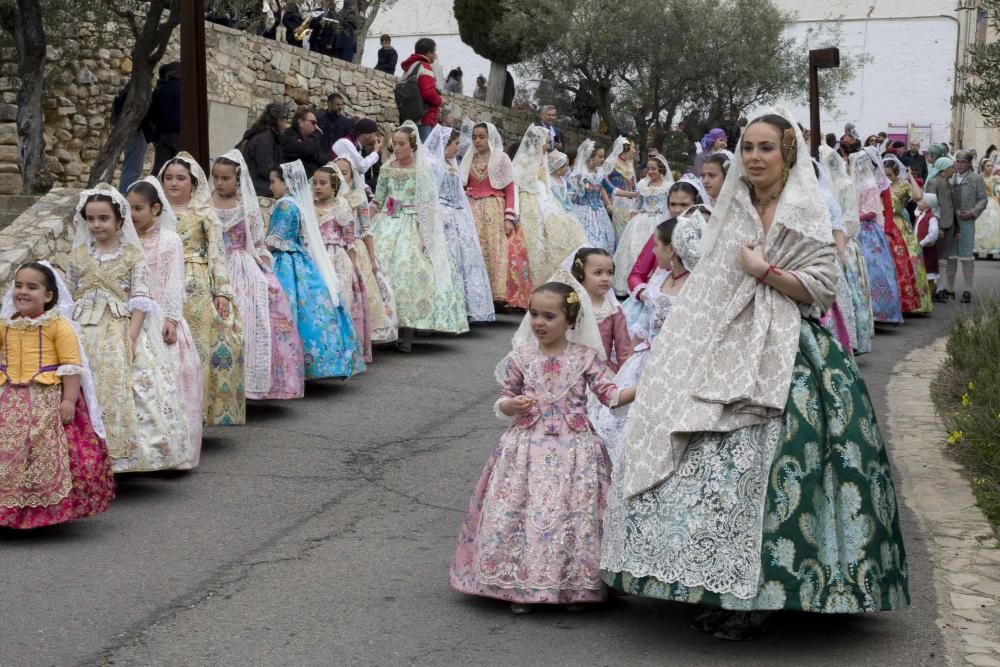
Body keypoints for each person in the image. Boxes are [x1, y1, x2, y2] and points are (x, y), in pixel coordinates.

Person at [602, 110, 910, 640]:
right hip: (724, 344)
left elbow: (821, 288)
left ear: (787, 153)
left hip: (789, 346)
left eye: (766, 148)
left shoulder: (805, 211)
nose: (755, 158)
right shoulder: (732, 210)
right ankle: (714, 586)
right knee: (706, 461)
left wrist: (764, 272)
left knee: (779, 471)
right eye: (748, 147)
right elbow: (706, 288)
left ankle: (768, 594)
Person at [449, 278, 636, 613]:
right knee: (523, 510)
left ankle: (574, 586)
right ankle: (519, 586)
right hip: (525, 448)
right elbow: (504, 398)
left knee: (573, 513)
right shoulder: (521, 357)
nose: (539, 322)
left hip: (576, 449)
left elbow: (610, 395)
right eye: (534, 314)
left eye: (549, 317)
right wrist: (511, 406)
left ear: (571, 322)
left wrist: (646, 385)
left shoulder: (586, 358)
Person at [67, 185, 193, 472]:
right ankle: (84, 454)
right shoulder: (77, 257)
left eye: (103, 218)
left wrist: (131, 336)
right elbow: (69, 294)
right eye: (91, 219)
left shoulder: (131, 256)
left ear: (119, 221)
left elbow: (140, 299)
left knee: (126, 385)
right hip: (82, 328)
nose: (96, 225)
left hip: (119, 327)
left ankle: (123, 456)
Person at [0, 262, 115, 529]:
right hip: (8, 396)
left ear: (49, 296)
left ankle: (36, 510)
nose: (23, 292)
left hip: (45, 395)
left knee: (37, 446)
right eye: (18, 285)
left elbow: (71, 366)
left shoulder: (58, 326)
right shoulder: (5, 325)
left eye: (32, 287)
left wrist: (68, 401)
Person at [595, 215, 701, 466]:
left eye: (656, 245)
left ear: (671, 249)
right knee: (616, 420)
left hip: (676, 362)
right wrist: (629, 361)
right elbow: (645, 325)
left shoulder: (696, 282)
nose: (653, 250)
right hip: (645, 358)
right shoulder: (660, 277)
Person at [159, 154, 247, 426]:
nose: (174, 183)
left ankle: (195, 413)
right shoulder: (154, 212)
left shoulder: (204, 215)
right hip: (160, 282)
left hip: (195, 285)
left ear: (193, 182)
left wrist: (222, 291)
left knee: (196, 348)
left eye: (180, 178)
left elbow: (217, 255)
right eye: (169, 178)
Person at [212, 151, 305, 400]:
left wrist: (264, 265)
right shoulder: (205, 204)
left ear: (238, 179)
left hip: (243, 266)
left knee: (254, 319)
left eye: (225, 178)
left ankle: (252, 384)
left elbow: (257, 241)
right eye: (216, 177)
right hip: (214, 265)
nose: (220, 183)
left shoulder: (246, 208)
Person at [369, 122, 470, 351]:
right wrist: (366, 218)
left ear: (412, 145)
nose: (396, 148)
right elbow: (379, 198)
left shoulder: (422, 171)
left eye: (401, 144)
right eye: (394, 144)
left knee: (411, 273)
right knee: (381, 271)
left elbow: (427, 205)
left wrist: (427, 236)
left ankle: (407, 333)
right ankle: (384, 325)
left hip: (412, 223)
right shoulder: (387, 168)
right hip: (387, 221)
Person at [127, 178, 204, 462]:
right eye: (128, 209)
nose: (132, 215)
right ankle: (141, 452)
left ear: (156, 209)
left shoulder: (169, 240)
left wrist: (171, 318)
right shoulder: (125, 240)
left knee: (170, 381)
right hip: (131, 316)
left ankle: (173, 450)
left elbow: (174, 280)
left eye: (138, 208)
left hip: (159, 316)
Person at [268, 160, 366, 378]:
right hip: (308, 257)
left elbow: (276, 238)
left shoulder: (287, 205)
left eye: (273, 182)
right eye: (315, 183)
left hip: (309, 257)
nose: (269, 187)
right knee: (317, 308)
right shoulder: (303, 204)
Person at [425, 125, 496, 323]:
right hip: (441, 215)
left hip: (457, 216)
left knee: (464, 261)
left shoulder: (451, 163)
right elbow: (429, 192)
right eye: (456, 144)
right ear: (445, 144)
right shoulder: (431, 163)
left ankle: (462, 310)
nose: (458, 148)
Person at [460, 122, 531, 310]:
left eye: (481, 137)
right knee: (474, 249)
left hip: (494, 209)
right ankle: (476, 294)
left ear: (490, 137)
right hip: (471, 208)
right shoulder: (469, 159)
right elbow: (462, 184)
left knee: (495, 250)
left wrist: (510, 217)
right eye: (474, 137)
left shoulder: (501, 159)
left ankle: (495, 295)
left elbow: (510, 188)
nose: (477, 140)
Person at [334, 157, 398, 344]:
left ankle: (359, 337)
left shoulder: (357, 197)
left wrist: (371, 259)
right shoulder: (326, 198)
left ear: (352, 176)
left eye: (344, 172)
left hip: (355, 249)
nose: (340, 175)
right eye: (336, 171)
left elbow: (365, 230)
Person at [313, 164, 372, 362]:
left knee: (339, 301)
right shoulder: (309, 207)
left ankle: (344, 350)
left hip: (336, 258)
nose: (318, 187)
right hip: (314, 257)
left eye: (323, 183)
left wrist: (352, 266)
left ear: (334, 185)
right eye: (315, 183)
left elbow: (349, 239)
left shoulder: (341, 206)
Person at [818, 145, 873, 355]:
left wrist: (842, 247)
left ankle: (847, 341)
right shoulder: (824, 187)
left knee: (843, 296)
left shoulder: (844, 184)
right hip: (830, 245)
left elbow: (849, 216)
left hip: (841, 242)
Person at [513, 125, 582, 285]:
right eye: (546, 142)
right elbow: (518, 182)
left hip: (545, 198)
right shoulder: (524, 160)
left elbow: (547, 182)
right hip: (529, 197)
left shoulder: (543, 160)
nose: (548, 146)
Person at [623, 180, 701, 302]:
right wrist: (645, 295)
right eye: (673, 204)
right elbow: (636, 274)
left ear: (696, 204)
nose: (677, 210)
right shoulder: (660, 235)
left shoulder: (705, 240)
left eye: (684, 205)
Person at [851, 150, 903, 323]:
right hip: (859, 227)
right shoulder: (858, 182)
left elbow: (878, 210)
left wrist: (852, 218)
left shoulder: (874, 184)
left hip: (868, 230)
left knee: (874, 268)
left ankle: (880, 310)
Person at [612, 155, 672, 295]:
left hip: (658, 221)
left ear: (661, 169)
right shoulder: (642, 184)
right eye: (648, 169)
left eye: (654, 169)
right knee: (632, 250)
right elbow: (637, 204)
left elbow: (668, 207)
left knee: (652, 253)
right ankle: (628, 285)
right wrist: (632, 219)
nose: (650, 172)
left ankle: (650, 284)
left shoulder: (668, 187)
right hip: (641, 220)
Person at [884, 155, 932, 313]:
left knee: (910, 261)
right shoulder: (881, 185)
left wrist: (910, 176)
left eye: (890, 175)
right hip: (883, 223)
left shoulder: (903, 185)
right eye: (885, 175)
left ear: (897, 173)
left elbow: (918, 196)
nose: (887, 178)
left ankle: (913, 301)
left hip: (900, 226)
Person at [571, 247, 631, 372]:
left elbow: (623, 349)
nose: (605, 278)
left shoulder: (613, 311)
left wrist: (625, 377)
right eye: (598, 272)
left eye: (609, 272)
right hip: (570, 370)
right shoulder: (570, 305)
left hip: (599, 373)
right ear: (580, 273)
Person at [948, 150, 988, 302]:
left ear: (970, 163)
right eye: (957, 161)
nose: (959, 164)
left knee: (966, 256)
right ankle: (950, 289)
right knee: (950, 256)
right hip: (950, 221)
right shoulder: (949, 176)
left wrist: (972, 213)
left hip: (966, 220)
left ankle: (968, 290)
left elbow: (983, 199)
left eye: (963, 161)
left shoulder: (976, 179)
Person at [570, 140, 615, 253]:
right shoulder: (579, 173)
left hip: (599, 210)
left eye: (603, 156)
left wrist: (608, 203)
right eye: (600, 156)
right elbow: (572, 193)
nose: (602, 159)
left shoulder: (601, 172)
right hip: (582, 209)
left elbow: (608, 188)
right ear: (591, 157)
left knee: (603, 239)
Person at [239, 102, 289, 197]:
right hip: (257, 187)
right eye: (285, 120)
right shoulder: (264, 139)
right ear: (279, 120)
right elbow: (267, 170)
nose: (286, 126)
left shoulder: (268, 136)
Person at [112, 80, 154, 190]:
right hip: (136, 132)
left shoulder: (127, 93)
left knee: (132, 167)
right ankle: (126, 193)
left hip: (133, 132)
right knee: (133, 168)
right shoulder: (137, 94)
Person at [400, 38, 443, 141]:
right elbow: (428, 93)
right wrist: (440, 100)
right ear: (429, 53)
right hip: (424, 118)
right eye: (434, 52)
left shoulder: (411, 67)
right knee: (423, 152)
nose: (435, 55)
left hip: (409, 116)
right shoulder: (425, 66)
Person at [333, 117, 384, 194]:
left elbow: (356, 171)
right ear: (367, 135)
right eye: (375, 135)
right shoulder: (345, 143)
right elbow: (361, 167)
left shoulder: (356, 145)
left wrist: (365, 186)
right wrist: (376, 151)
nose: (376, 138)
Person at [602, 136, 638, 242]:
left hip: (629, 204)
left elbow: (634, 186)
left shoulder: (630, 165)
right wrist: (608, 202)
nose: (635, 151)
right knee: (618, 235)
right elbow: (602, 183)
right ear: (626, 148)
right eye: (633, 147)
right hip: (615, 203)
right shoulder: (610, 163)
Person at [149, 62, 181, 177]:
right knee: (181, 167)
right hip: (178, 135)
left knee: (161, 168)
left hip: (161, 135)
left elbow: (152, 114)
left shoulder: (159, 90)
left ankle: (156, 192)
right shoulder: (184, 90)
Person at [280, 107, 328, 177]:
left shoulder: (310, 139)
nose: (316, 127)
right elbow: (306, 149)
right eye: (313, 123)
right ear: (301, 122)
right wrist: (317, 134)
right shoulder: (288, 136)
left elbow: (324, 159)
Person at [915, 192, 941, 295]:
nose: (918, 202)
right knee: (922, 272)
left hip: (927, 249)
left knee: (929, 273)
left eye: (921, 201)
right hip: (920, 249)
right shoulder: (921, 215)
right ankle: (923, 295)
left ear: (927, 204)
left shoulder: (931, 217)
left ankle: (930, 294)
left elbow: (933, 234)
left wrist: (922, 243)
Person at [974, 157, 1000, 257]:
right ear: (983, 167)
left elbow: (997, 190)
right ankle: (976, 249)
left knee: (993, 225)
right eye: (988, 166)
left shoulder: (996, 178)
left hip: (993, 203)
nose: (990, 168)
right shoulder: (978, 178)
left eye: (991, 166)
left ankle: (991, 251)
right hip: (981, 202)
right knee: (979, 225)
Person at [317, 93, 354, 158]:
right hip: (320, 158)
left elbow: (348, 142)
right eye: (337, 104)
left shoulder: (346, 122)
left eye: (341, 105)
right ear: (329, 104)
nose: (340, 107)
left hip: (338, 158)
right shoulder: (319, 119)